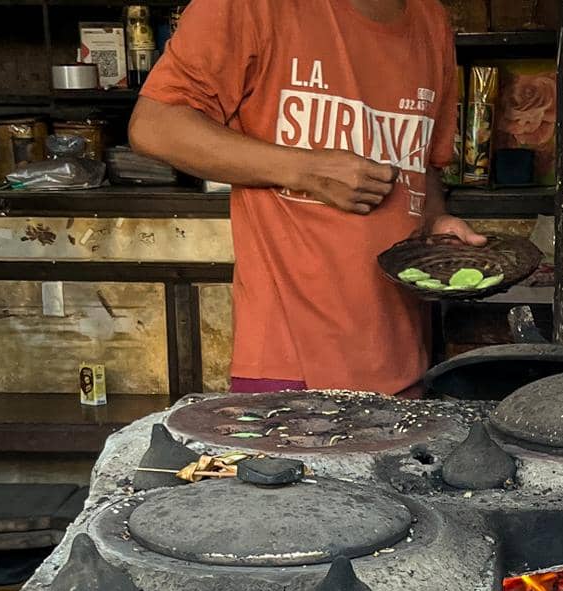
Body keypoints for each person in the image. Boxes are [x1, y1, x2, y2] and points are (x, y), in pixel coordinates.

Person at [129, 0, 483, 396]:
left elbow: (425, 167)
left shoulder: (431, 19)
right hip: (289, 368)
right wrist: (306, 170)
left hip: (403, 359)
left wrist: (435, 222)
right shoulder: (252, 6)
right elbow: (155, 125)